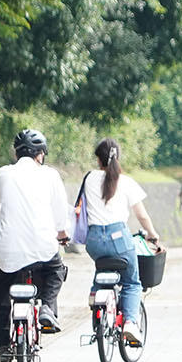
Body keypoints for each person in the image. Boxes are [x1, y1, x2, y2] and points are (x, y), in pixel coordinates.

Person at [0, 129, 71, 362]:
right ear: (40, 154)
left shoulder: (3, 174)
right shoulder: (50, 175)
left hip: (7, 252)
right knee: (56, 271)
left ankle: (1, 344)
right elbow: (60, 211)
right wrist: (62, 233)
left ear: (16, 152)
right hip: (43, 248)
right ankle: (47, 308)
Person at [74, 138, 165, 345]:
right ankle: (131, 323)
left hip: (94, 240)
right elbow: (141, 215)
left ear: (98, 159)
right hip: (119, 238)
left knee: (104, 264)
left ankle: (96, 292)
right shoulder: (125, 181)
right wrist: (152, 234)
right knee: (132, 282)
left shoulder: (89, 178)